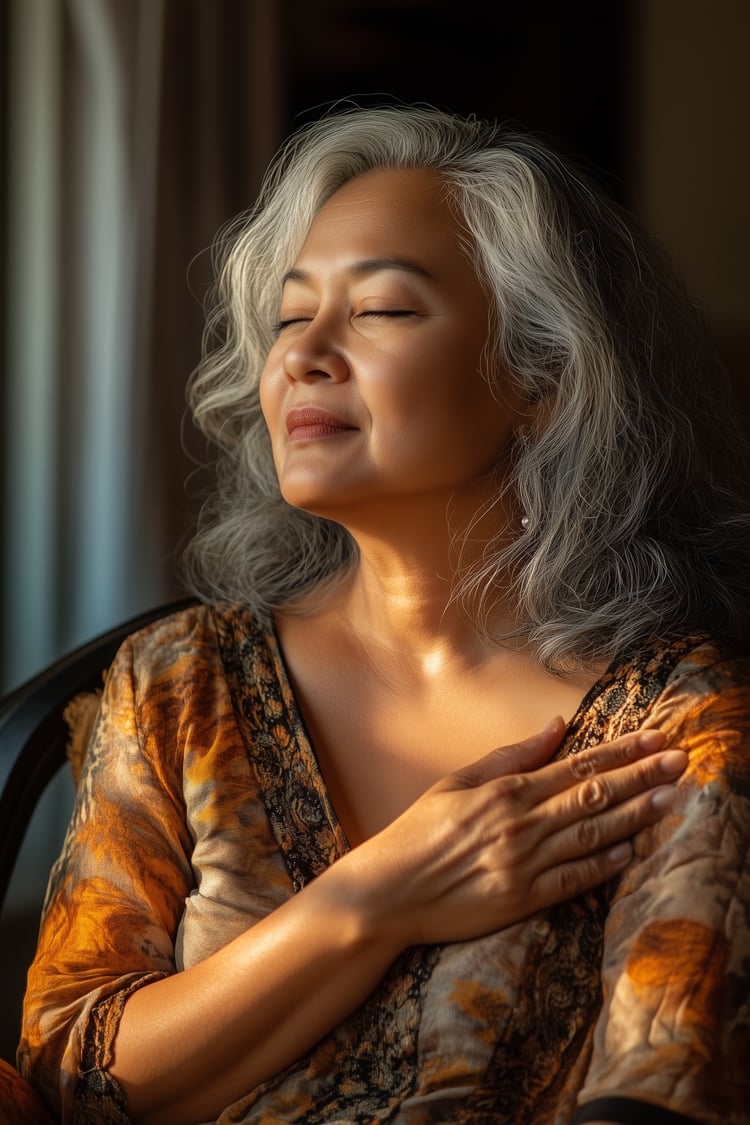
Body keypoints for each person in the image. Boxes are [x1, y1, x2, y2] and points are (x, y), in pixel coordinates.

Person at [17, 104, 750, 1125]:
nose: (304, 356)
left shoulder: (679, 723)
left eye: (383, 310)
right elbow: (67, 1077)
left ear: (542, 375)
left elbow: (662, 1090)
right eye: (289, 318)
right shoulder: (178, 681)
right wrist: (379, 895)